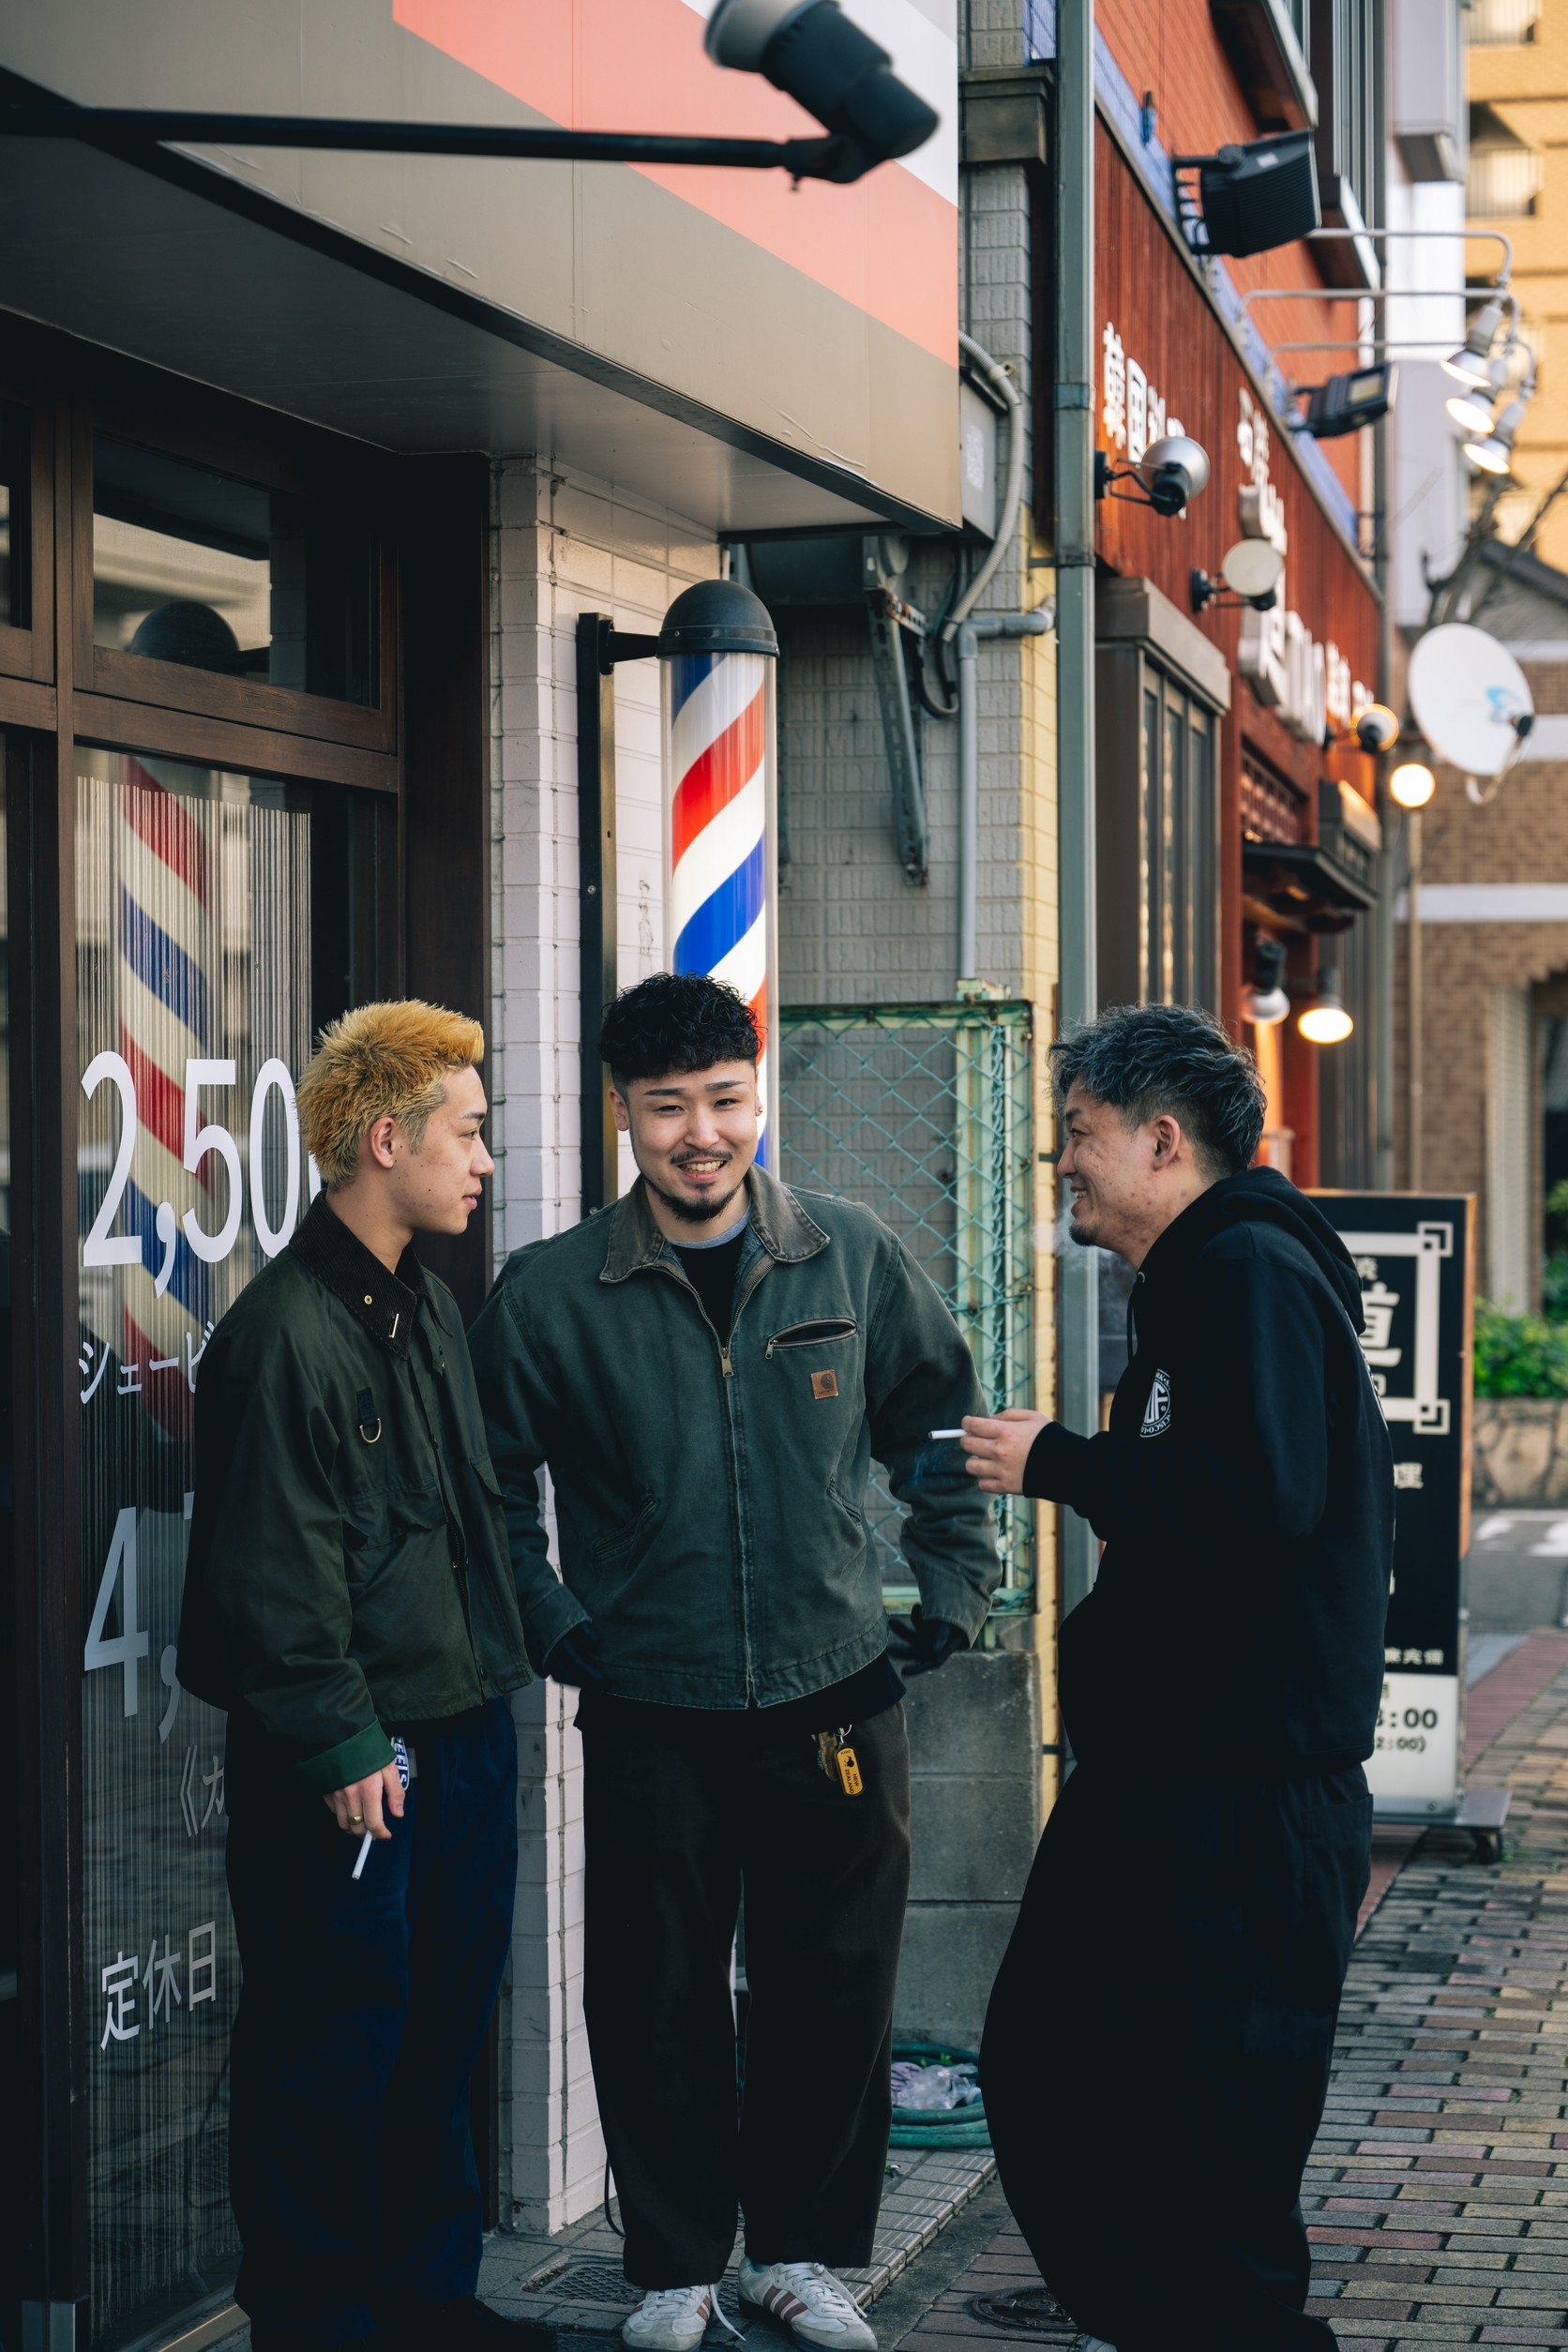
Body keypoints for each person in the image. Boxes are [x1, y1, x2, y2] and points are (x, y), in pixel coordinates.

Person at [469, 972, 1000, 2352]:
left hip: (837, 1691)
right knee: (655, 1996)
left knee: (834, 1988)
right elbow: (484, 1490)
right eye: (667, 1110)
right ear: (622, 1117)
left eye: (724, 1101)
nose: (701, 1135)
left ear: (757, 1093)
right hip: (648, 1699)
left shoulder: (851, 1252)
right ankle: (674, 2265)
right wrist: (555, 1620)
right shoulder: (550, 1295)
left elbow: (938, 1426)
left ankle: (807, 2255)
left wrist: (947, 1589)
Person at [964, 1003, 1392, 2352]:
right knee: (1060, 2076)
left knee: (1215, 2161)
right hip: (1169, 1793)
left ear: (1162, 1141)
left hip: (1239, 1809)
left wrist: (1063, 1466)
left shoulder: (1247, 1272)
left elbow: (1259, 1495)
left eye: (1080, 1138)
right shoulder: (1204, 1278)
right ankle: (1146, 2315)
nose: (1063, 1166)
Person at [177, 1002, 535, 2352]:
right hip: (353, 1761)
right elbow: (273, 1579)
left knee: (440, 2037)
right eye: (468, 1132)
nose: (484, 1159)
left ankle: (426, 2305)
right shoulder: (284, 1331)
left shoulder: (427, 1304)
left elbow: (470, 1510)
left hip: (458, 1736)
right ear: (386, 1139)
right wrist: (340, 1749)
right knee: (329, 2055)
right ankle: (319, 2321)